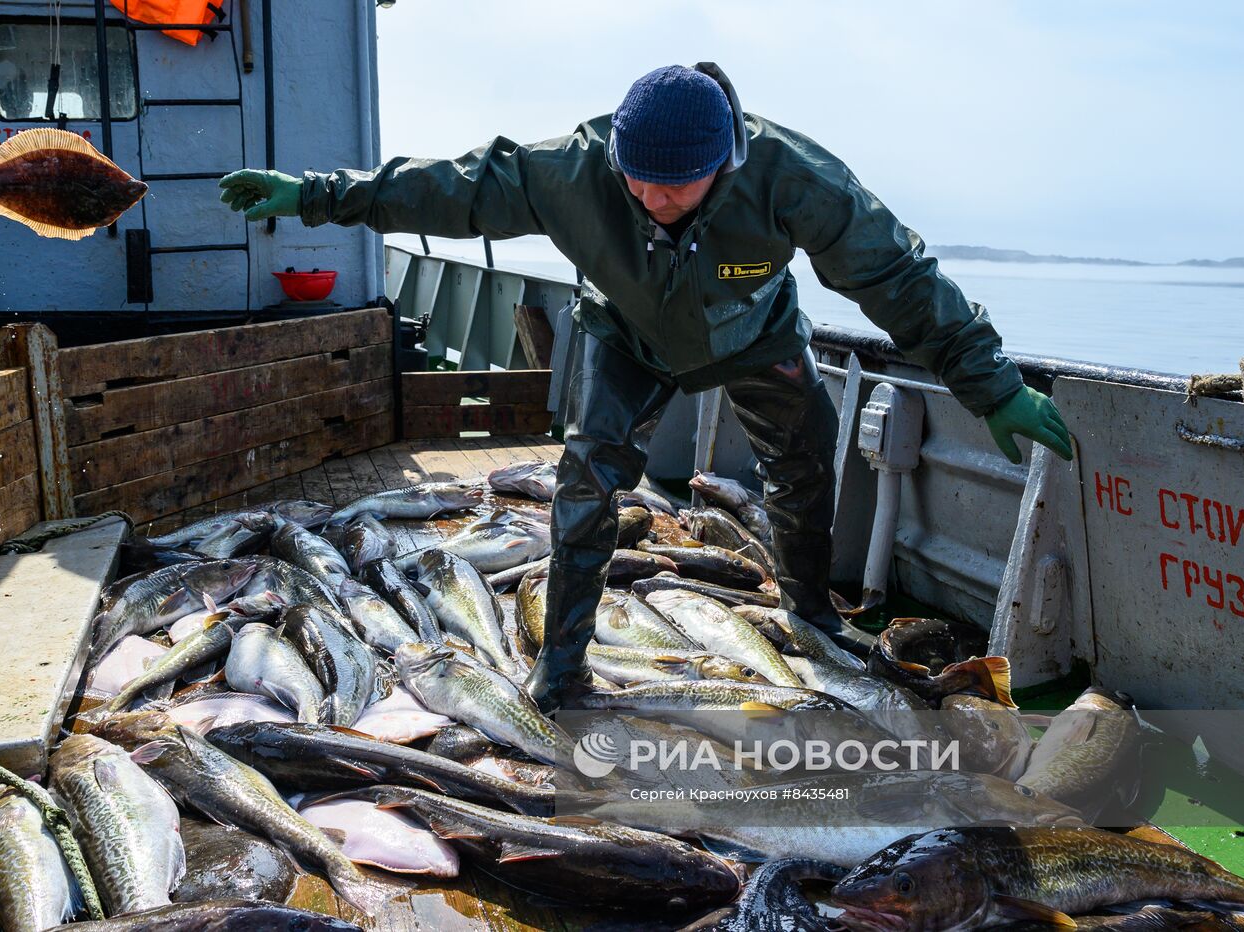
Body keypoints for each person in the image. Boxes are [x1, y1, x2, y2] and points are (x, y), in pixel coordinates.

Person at [219, 63, 1073, 711]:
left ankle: (811, 611)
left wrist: (991, 387)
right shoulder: (573, 170)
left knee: (806, 464)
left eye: (673, 183)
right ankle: (561, 664)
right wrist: (316, 196)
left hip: (755, 335)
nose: (648, 195)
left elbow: (897, 275)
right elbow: (451, 191)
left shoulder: (791, 177)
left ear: (727, 163)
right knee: (586, 483)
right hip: (624, 334)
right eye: (634, 176)